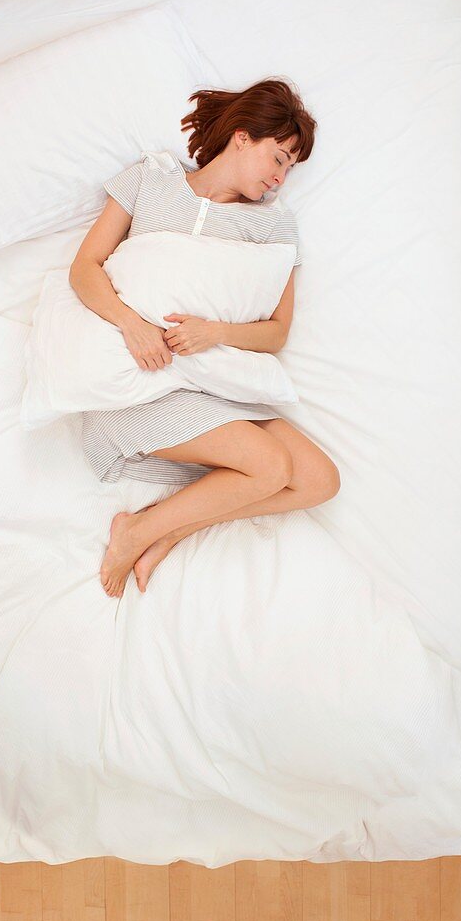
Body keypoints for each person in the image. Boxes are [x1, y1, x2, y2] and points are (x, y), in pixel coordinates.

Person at [70, 78, 341, 598]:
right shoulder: (151, 181)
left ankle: (170, 525)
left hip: (213, 382)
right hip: (141, 383)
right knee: (269, 466)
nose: (281, 178)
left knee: (319, 480)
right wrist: (133, 324)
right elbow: (84, 268)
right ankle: (140, 530)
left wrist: (215, 332)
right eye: (279, 158)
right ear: (242, 137)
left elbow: (277, 333)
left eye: (291, 168)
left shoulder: (274, 230)